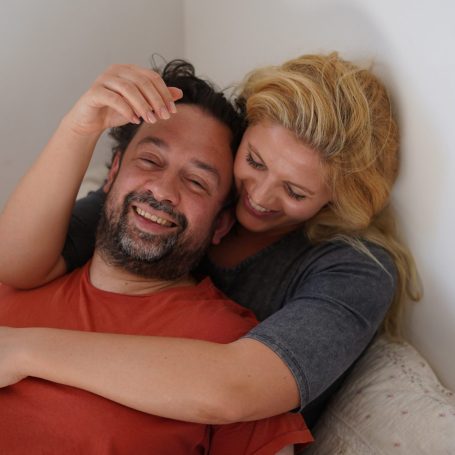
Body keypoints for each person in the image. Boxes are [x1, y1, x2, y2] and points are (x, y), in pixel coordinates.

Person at [0, 52, 420, 430]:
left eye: (295, 192)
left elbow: (236, 388)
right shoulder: (181, 190)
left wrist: (25, 349)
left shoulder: (355, 271)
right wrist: (79, 127)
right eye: (254, 161)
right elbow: (16, 262)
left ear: (337, 200)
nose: (258, 196)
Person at [0, 61, 312, 454]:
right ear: (113, 172)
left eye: (196, 182)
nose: (163, 191)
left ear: (220, 224)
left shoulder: (232, 348)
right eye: (150, 160)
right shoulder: (21, 276)